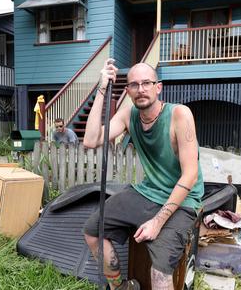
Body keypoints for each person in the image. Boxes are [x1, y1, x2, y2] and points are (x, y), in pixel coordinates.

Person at [82, 59, 204, 290]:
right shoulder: (129, 115)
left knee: (159, 273)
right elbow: (90, 140)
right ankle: (121, 287)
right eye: (134, 85)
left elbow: (190, 175)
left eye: (147, 83)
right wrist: (101, 88)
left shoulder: (180, 114)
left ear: (158, 87)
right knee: (92, 231)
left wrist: (157, 223)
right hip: (149, 192)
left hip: (184, 199)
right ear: (127, 91)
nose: (141, 89)